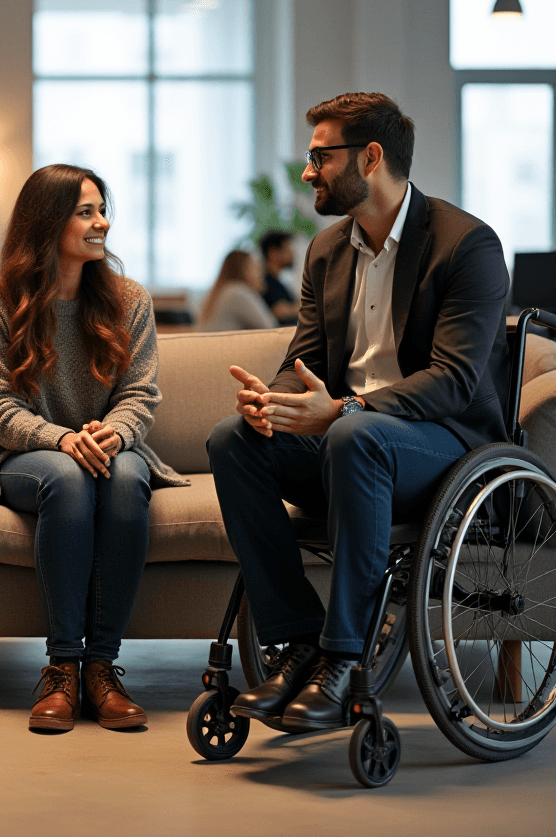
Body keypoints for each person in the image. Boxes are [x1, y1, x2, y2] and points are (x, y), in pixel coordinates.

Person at [206, 92, 509, 731]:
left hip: (443, 445)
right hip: (353, 435)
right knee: (233, 441)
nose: (308, 171)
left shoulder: (466, 246)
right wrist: (275, 401)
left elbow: (453, 380)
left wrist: (344, 406)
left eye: (321, 157)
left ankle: (346, 659)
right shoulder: (326, 251)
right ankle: (297, 644)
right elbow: (303, 358)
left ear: (370, 158)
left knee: (355, 436)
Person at [0, 163, 187, 732]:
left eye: (102, 209)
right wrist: (62, 439)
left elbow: (140, 392)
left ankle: (101, 669)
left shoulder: (129, 299)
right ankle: (62, 667)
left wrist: (116, 432)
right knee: (66, 476)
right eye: (86, 212)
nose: (101, 222)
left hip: (110, 447)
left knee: (128, 478)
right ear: (48, 220)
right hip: (21, 457)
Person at [197, 250, 278, 332]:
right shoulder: (238, 291)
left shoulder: (224, 290)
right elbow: (270, 326)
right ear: (244, 270)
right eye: (255, 268)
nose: (261, 274)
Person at [259, 229, 301, 324]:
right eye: (287, 249)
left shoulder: (277, 283)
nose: (292, 254)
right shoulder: (265, 282)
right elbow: (278, 310)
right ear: (273, 253)